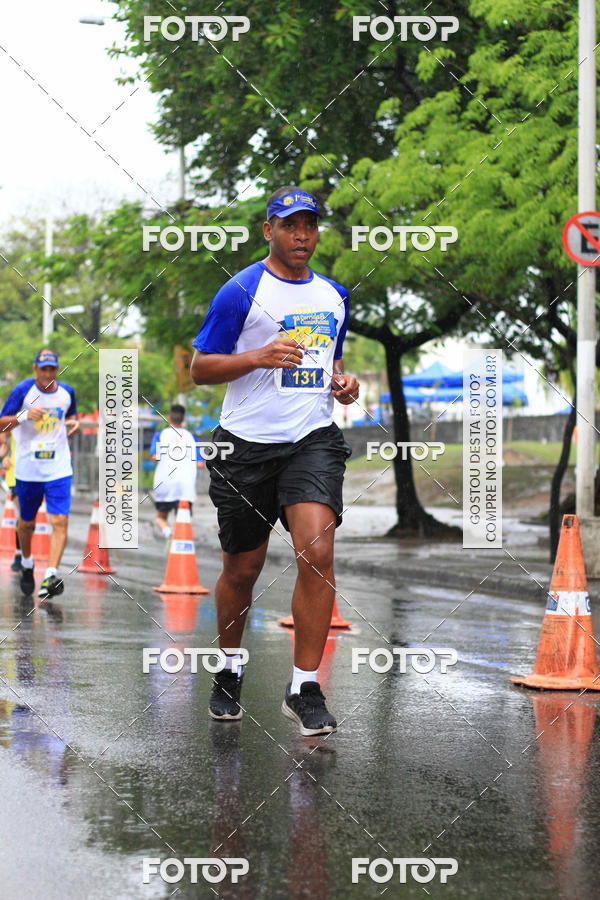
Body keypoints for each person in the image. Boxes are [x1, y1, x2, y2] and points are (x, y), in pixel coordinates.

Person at [190, 186, 359, 736]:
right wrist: (257, 357)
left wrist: (342, 383)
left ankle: (304, 685)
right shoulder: (241, 290)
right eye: (290, 226)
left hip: (311, 439)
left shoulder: (334, 295)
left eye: (309, 226)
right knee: (242, 568)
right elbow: (200, 368)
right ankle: (230, 667)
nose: (302, 236)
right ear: (269, 231)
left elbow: (331, 362)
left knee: (318, 549)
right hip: (244, 446)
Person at [0, 349, 79, 598]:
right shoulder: (23, 391)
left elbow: (71, 417)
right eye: (43, 369)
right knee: (26, 523)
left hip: (58, 468)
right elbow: (2, 422)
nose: (47, 373)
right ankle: (26, 564)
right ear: (35, 369)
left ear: (57, 369)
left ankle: (50, 576)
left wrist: (74, 424)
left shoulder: (67, 393)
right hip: (28, 468)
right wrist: (24, 415)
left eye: (52, 369)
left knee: (60, 521)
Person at [150, 403, 204, 538]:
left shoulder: (160, 435)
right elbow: (200, 464)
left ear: (169, 417)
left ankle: (168, 533)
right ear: (183, 419)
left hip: (165, 485)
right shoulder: (192, 438)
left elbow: (155, 457)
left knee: (160, 518)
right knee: (183, 522)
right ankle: (180, 542)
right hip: (186, 487)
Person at [0, 432, 23, 571]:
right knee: (25, 516)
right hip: (15, 475)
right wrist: (4, 457)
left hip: (38, 472)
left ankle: (23, 555)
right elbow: (3, 440)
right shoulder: (13, 418)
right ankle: (21, 555)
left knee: (29, 519)